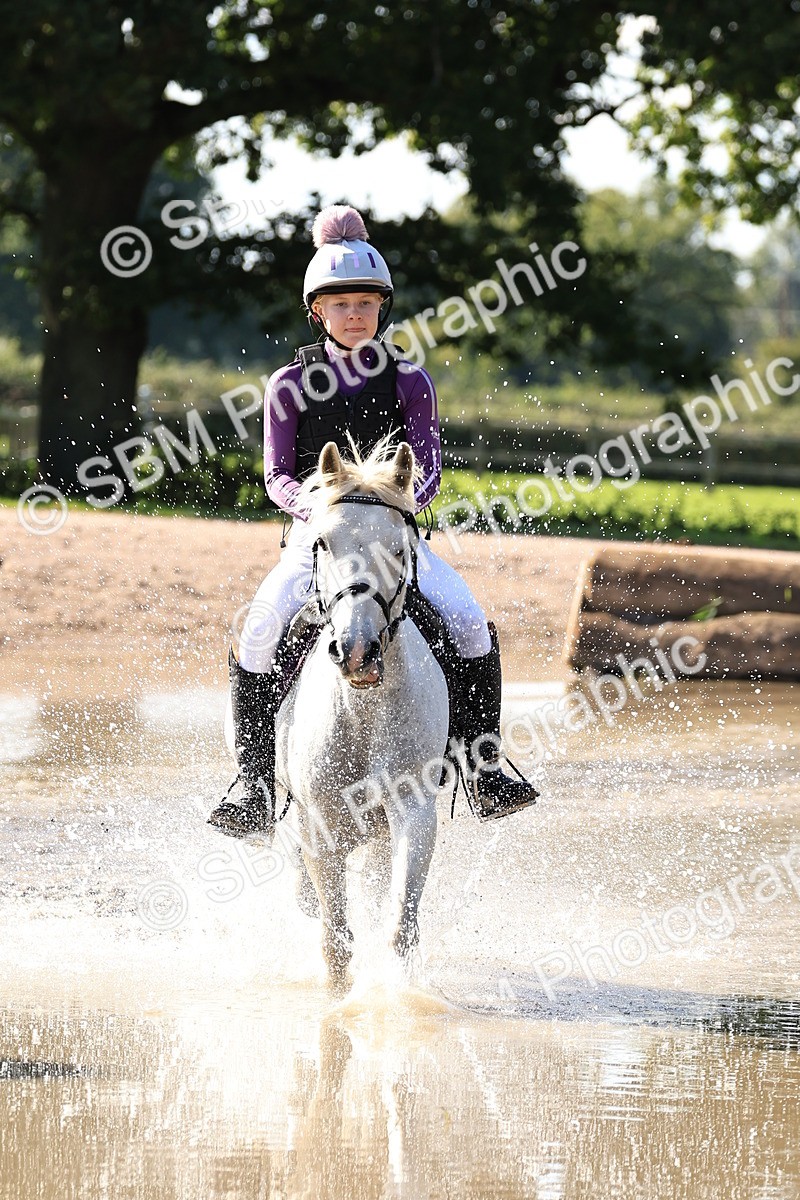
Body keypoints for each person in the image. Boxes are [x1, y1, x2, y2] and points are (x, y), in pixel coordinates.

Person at [209, 205, 538, 836]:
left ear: (382, 307)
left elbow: (429, 471)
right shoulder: (287, 384)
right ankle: (253, 784)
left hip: (394, 537)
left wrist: (396, 503)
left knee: (469, 621)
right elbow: (277, 476)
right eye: (341, 304)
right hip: (318, 541)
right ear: (318, 311)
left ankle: (485, 769)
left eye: (365, 303)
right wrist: (321, 508)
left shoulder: (411, 381)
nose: (354, 314)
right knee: (259, 630)